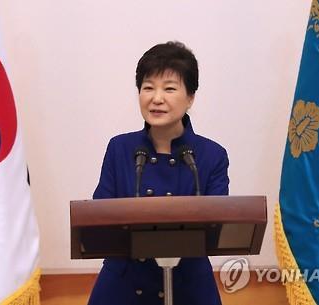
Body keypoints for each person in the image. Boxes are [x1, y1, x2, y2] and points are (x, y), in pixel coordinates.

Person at [88, 41, 229, 305]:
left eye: (170, 88)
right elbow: (100, 218)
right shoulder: (120, 148)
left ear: (190, 97)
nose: (157, 98)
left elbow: (216, 227)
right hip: (124, 285)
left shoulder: (212, 156)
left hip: (189, 286)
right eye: (148, 87)